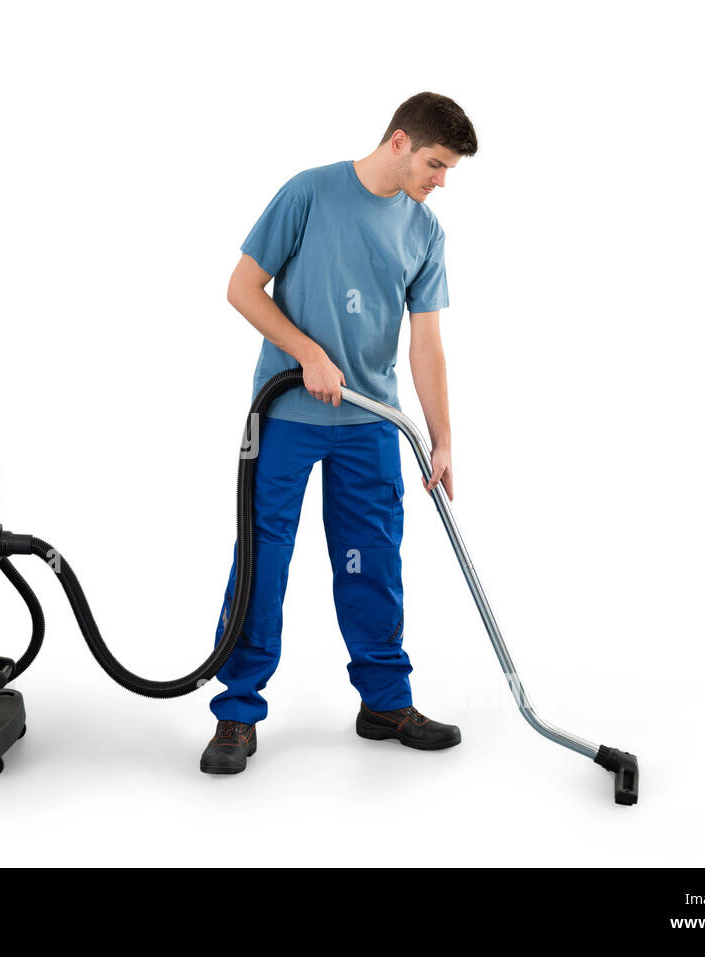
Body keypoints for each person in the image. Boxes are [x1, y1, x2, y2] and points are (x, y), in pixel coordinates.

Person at [201, 92, 478, 774]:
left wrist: (442, 439)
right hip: (286, 416)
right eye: (436, 164)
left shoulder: (425, 232)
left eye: (448, 170)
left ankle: (385, 703)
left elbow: (426, 343)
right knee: (264, 559)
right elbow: (242, 287)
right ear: (400, 141)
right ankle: (237, 712)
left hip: (372, 423)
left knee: (371, 560)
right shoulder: (309, 193)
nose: (441, 181)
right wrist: (307, 352)